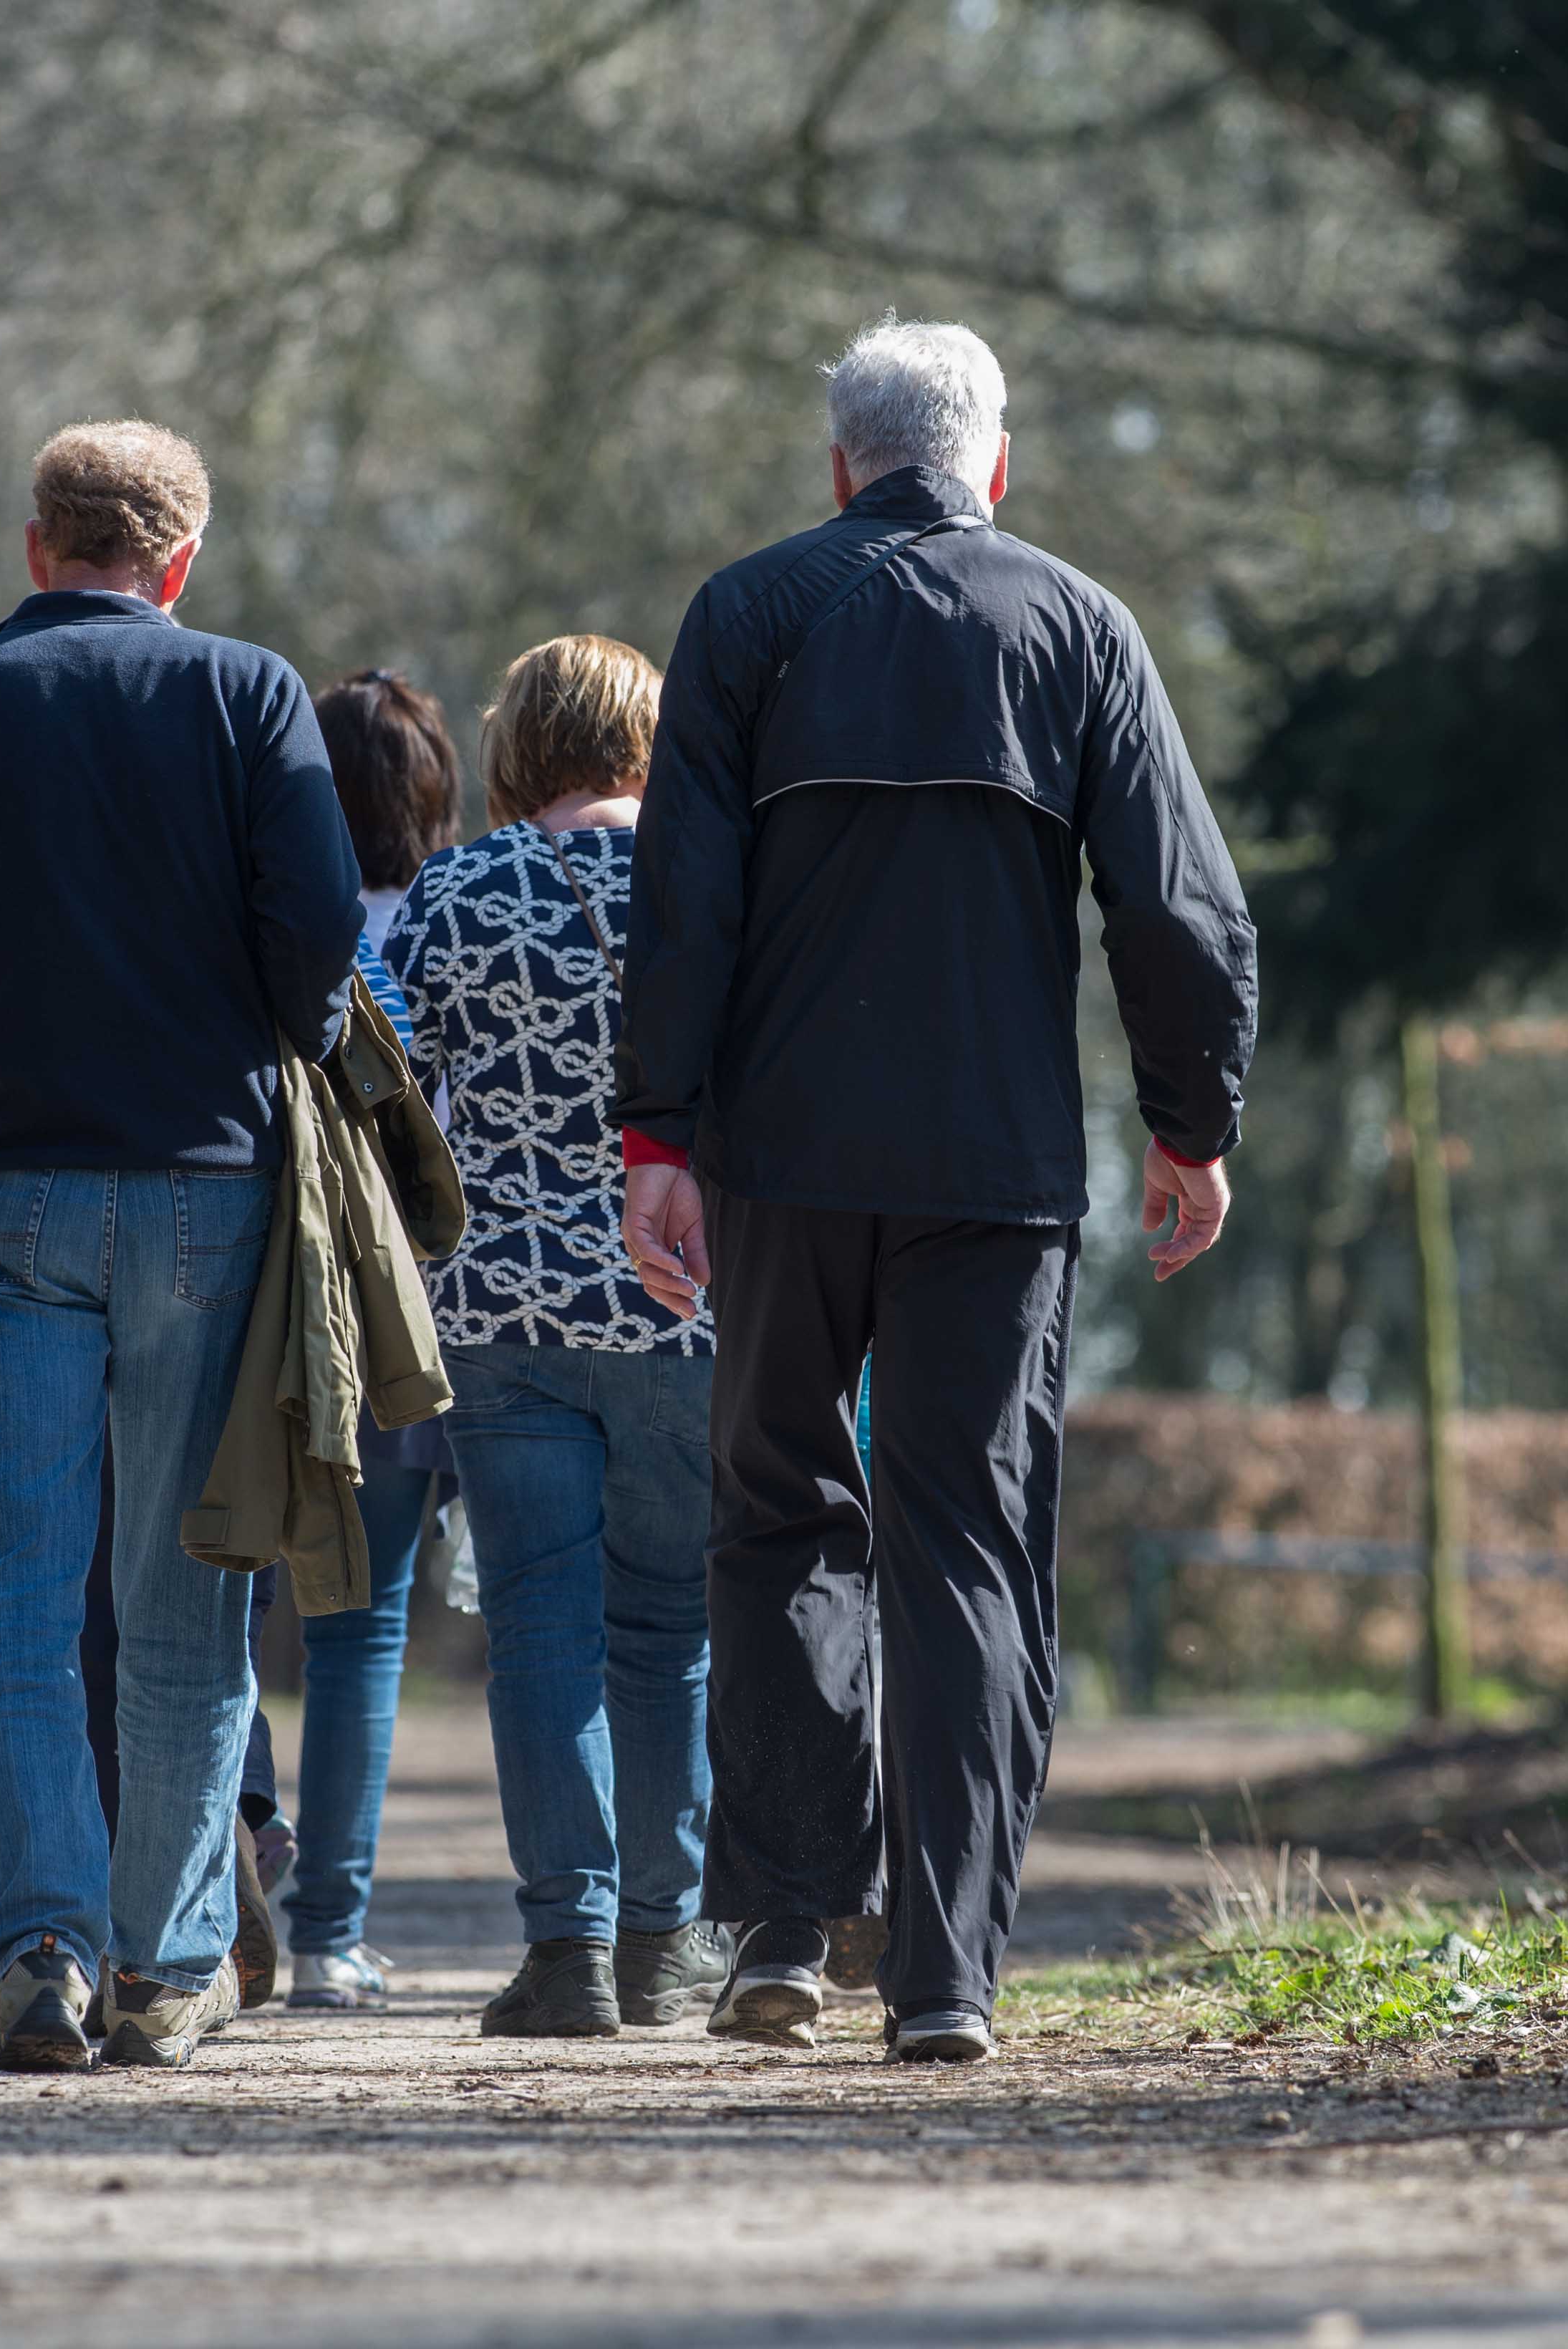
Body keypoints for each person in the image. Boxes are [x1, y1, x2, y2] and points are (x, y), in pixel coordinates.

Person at [615, 317, 1259, 2064]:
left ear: (840, 463)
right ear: (995, 461)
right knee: (967, 1544)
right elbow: (1178, 908)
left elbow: (681, 901)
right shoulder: (1080, 626)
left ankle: (773, 1929)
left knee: (777, 1518)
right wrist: (1189, 1118)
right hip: (993, 1165)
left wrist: (656, 1135)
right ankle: (946, 1973)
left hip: (777, 1156)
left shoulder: (746, 615)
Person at [0, 419, 363, 2073]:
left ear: (35, 543)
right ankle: (167, 1956)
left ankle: (38, 1943)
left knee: (12, 1591)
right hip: (205, 1186)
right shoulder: (249, 693)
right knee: (186, 1593)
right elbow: (318, 944)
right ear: (178, 560)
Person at [387, 636, 730, 2038]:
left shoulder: (454, 889)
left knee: (539, 1625)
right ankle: (663, 1939)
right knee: (669, 1628)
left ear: (519, 742)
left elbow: (387, 1083)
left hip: (499, 1313)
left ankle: (567, 1946)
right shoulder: (720, 886)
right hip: (685, 1305)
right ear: (652, 742)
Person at [276, 667, 463, 2011]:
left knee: (223, 1598)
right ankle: (326, 1930)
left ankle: (232, 1836)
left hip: (273, 1304)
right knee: (367, 1629)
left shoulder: (288, 933)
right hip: (418, 1323)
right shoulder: (456, 926)